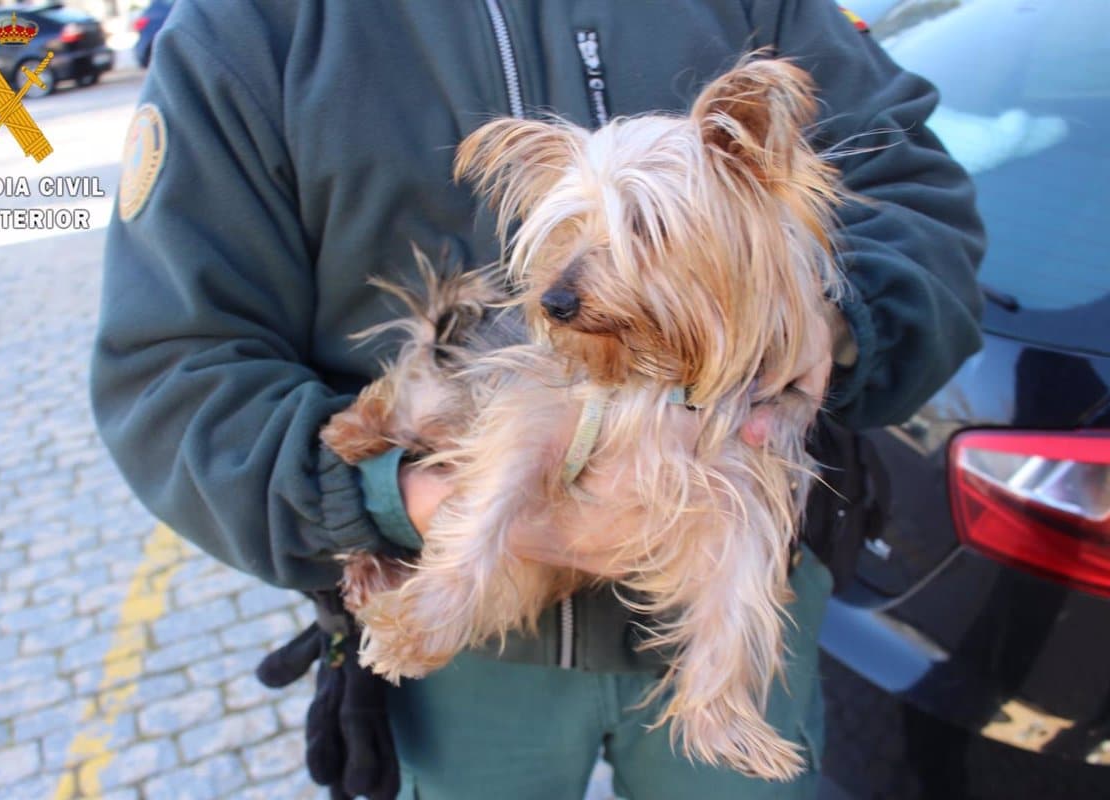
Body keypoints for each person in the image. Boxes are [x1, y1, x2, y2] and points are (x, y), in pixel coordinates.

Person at [91, 1, 985, 797]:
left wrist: (829, 319)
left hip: (748, 608)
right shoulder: (249, 30)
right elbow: (175, 370)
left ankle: (719, 694)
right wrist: (387, 504)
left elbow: (914, 193)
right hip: (463, 663)